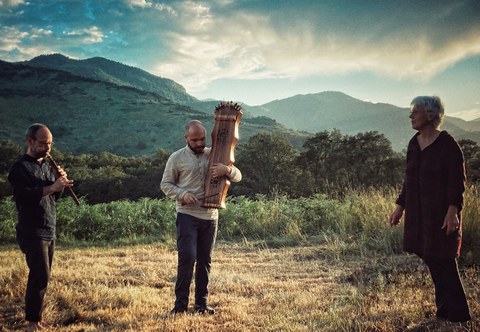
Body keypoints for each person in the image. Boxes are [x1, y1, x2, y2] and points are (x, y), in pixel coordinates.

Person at [388, 96, 471, 323]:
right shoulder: (414, 144)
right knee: (432, 260)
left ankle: (460, 316)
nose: (411, 116)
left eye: (415, 111)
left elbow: (457, 181)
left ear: (431, 115)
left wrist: (453, 211)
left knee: (444, 261)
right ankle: (444, 313)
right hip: (419, 215)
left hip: (441, 214)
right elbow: (409, 178)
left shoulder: (447, 144)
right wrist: (400, 207)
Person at [161, 120, 242, 315]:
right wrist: (182, 194)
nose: (199, 143)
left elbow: (238, 176)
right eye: (194, 139)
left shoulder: (215, 154)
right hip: (187, 215)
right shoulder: (176, 158)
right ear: (186, 138)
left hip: (211, 217)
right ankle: (179, 307)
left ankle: (201, 305)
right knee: (187, 258)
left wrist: (227, 170)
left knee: (205, 261)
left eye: (202, 139)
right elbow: (165, 184)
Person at [8, 124, 74, 331]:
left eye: (50, 144)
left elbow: (54, 197)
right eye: (43, 143)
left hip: (48, 227)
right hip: (32, 229)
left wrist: (58, 184)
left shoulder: (46, 165)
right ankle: (32, 323)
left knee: (43, 276)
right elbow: (24, 196)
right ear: (29, 141)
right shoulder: (20, 167)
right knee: (39, 274)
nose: (48, 148)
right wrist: (52, 186)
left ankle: (36, 318)